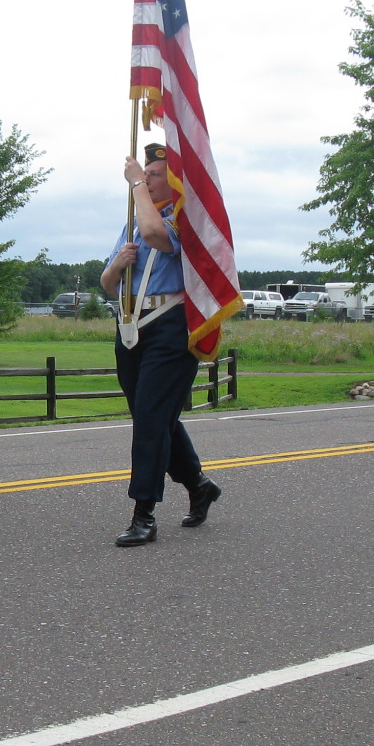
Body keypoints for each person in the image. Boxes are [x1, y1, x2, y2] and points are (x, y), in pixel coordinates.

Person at [97, 143, 221, 547]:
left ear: (173, 182)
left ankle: (143, 512)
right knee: (154, 417)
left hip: (170, 325)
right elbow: (106, 284)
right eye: (145, 173)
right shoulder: (133, 221)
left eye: (154, 175)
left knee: (151, 419)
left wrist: (134, 185)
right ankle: (198, 484)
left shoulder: (186, 219)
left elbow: (156, 235)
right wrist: (116, 266)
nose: (146, 179)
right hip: (132, 324)